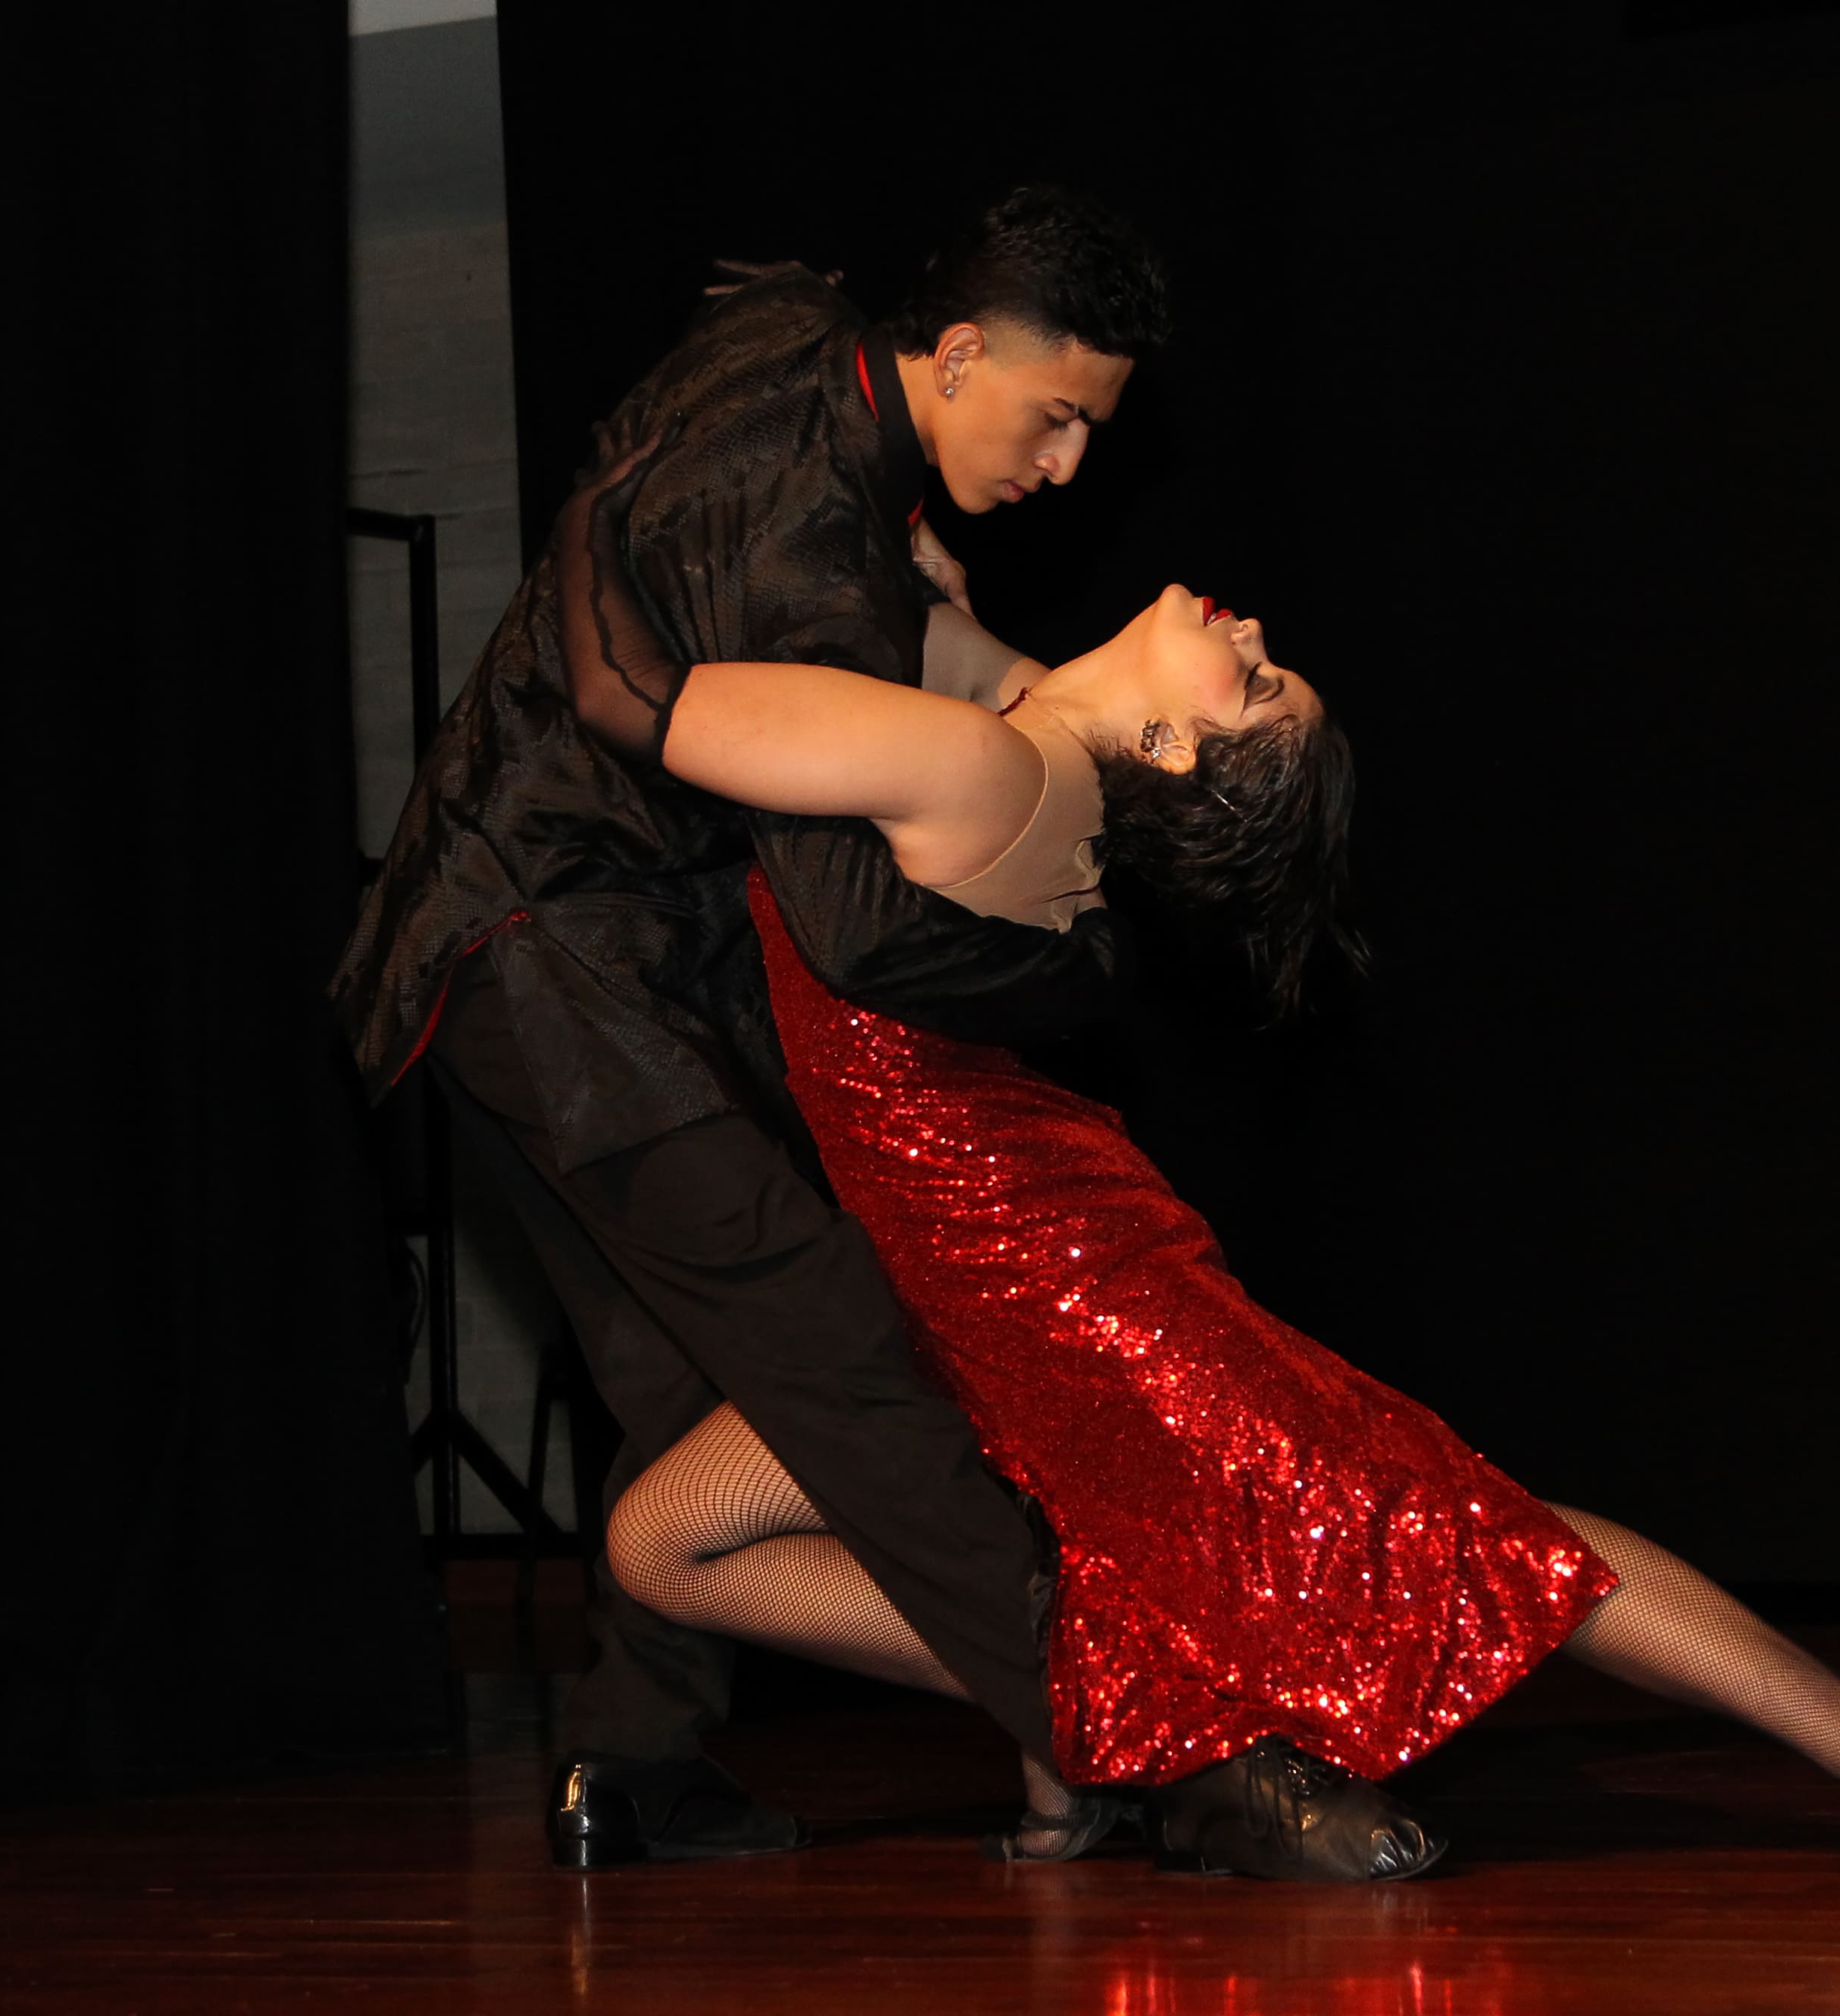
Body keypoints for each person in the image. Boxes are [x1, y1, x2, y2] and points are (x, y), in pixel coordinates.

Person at [551, 470, 1840, 1880]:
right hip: (934, 1283)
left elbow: (647, 696)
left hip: (1060, 1291)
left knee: (1454, 1527)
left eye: (1253, 677)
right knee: (666, 1542)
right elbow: (907, 626)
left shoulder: (971, 769)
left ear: (1168, 748)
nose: (1244, 627)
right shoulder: (1014, 732)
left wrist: (610, 495)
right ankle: (1119, 1720)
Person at [336, 188, 1417, 1879]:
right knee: (858, 1372)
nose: (1065, 466)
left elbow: (787, 416)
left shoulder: (801, 347)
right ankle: (1161, 1751)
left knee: (694, 1396)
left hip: (494, 961)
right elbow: (855, 929)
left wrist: (1005, 691)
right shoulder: (815, 552)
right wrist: (1062, 943)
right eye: (1056, 417)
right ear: (963, 350)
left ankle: (633, 1762)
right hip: (572, 986)